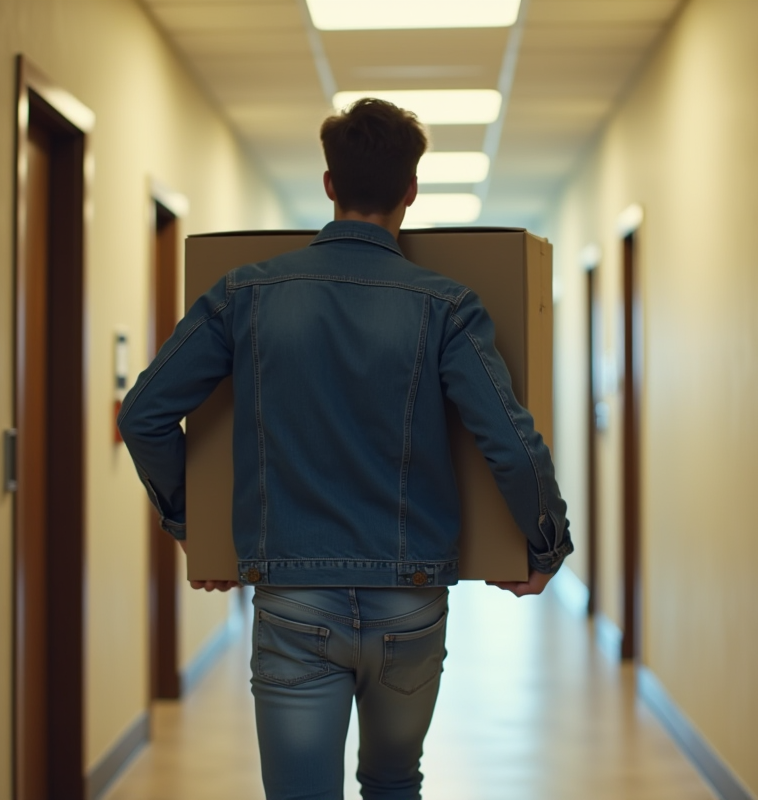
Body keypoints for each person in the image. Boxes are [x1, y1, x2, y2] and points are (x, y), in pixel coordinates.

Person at [118, 98, 572, 800]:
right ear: (410, 192)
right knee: (394, 785)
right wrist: (546, 547)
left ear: (329, 185)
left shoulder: (245, 294)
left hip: (293, 602)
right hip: (410, 604)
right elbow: (510, 442)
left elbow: (145, 414)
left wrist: (192, 526)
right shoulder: (447, 306)